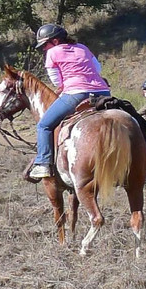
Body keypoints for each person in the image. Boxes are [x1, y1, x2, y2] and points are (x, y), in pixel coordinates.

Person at [29, 23, 112, 179]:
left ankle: (43, 163)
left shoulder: (52, 53)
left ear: (55, 41)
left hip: (76, 94)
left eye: (45, 44)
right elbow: (98, 69)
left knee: (44, 125)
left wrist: (65, 85)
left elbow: (56, 81)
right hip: (103, 92)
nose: (45, 48)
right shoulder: (82, 47)